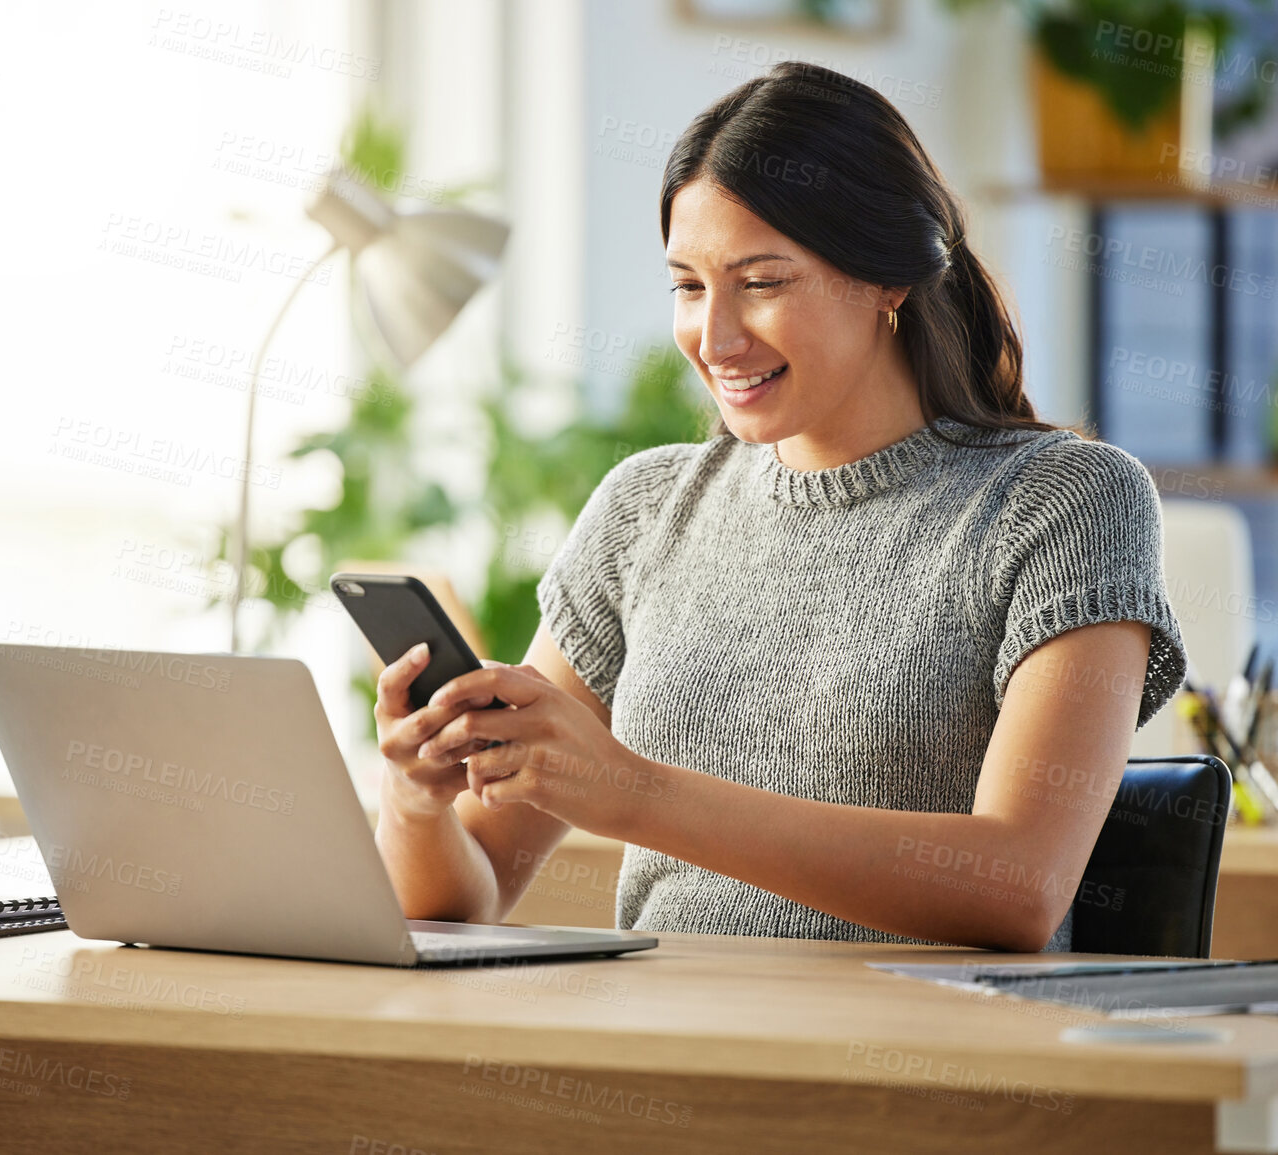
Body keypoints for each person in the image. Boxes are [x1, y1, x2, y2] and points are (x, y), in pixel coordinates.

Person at [371, 61, 1187, 952]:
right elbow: (469, 894)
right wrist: (417, 802)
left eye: (760, 282)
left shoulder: (1064, 502)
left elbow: (1018, 885)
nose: (713, 339)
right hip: (663, 1052)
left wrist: (634, 794)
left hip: (919, 1070)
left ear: (887, 279)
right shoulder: (644, 510)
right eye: (687, 285)